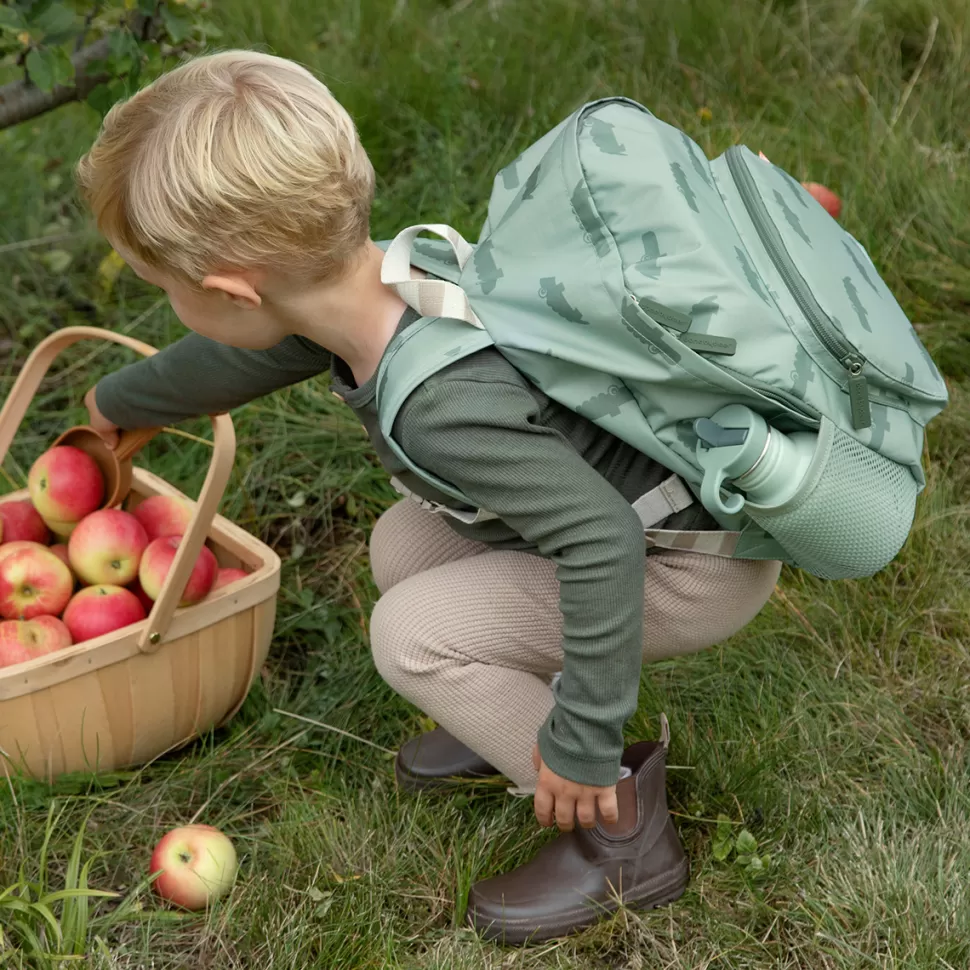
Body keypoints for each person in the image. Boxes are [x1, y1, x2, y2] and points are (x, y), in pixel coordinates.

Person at [76, 49, 781, 942]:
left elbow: (600, 540)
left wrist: (583, 740)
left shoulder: (442, 407)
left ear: (229, 289)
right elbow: (240, 356)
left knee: (409, 638)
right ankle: (506, 717)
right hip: (646, 518)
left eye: (167, 291)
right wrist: (119, 405)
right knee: (404, 547)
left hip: (686, 566)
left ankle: (618, 832)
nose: (175, 307)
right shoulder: (385, 281)